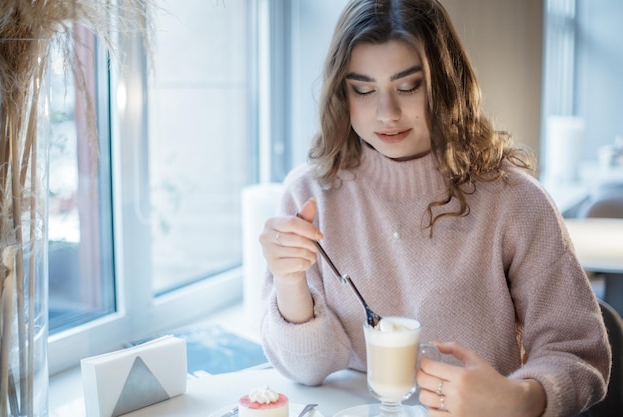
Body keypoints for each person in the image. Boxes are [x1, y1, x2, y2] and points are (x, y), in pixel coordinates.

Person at [258, 1, 611, 416]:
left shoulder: (514, 199)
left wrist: (519, 399)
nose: (386, 113)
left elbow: (580, 355)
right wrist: (288, 281)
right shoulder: (310, 194)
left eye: (408, 87)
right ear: (341, 92)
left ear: (447, 83)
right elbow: (310, 369)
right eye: (364, 89)